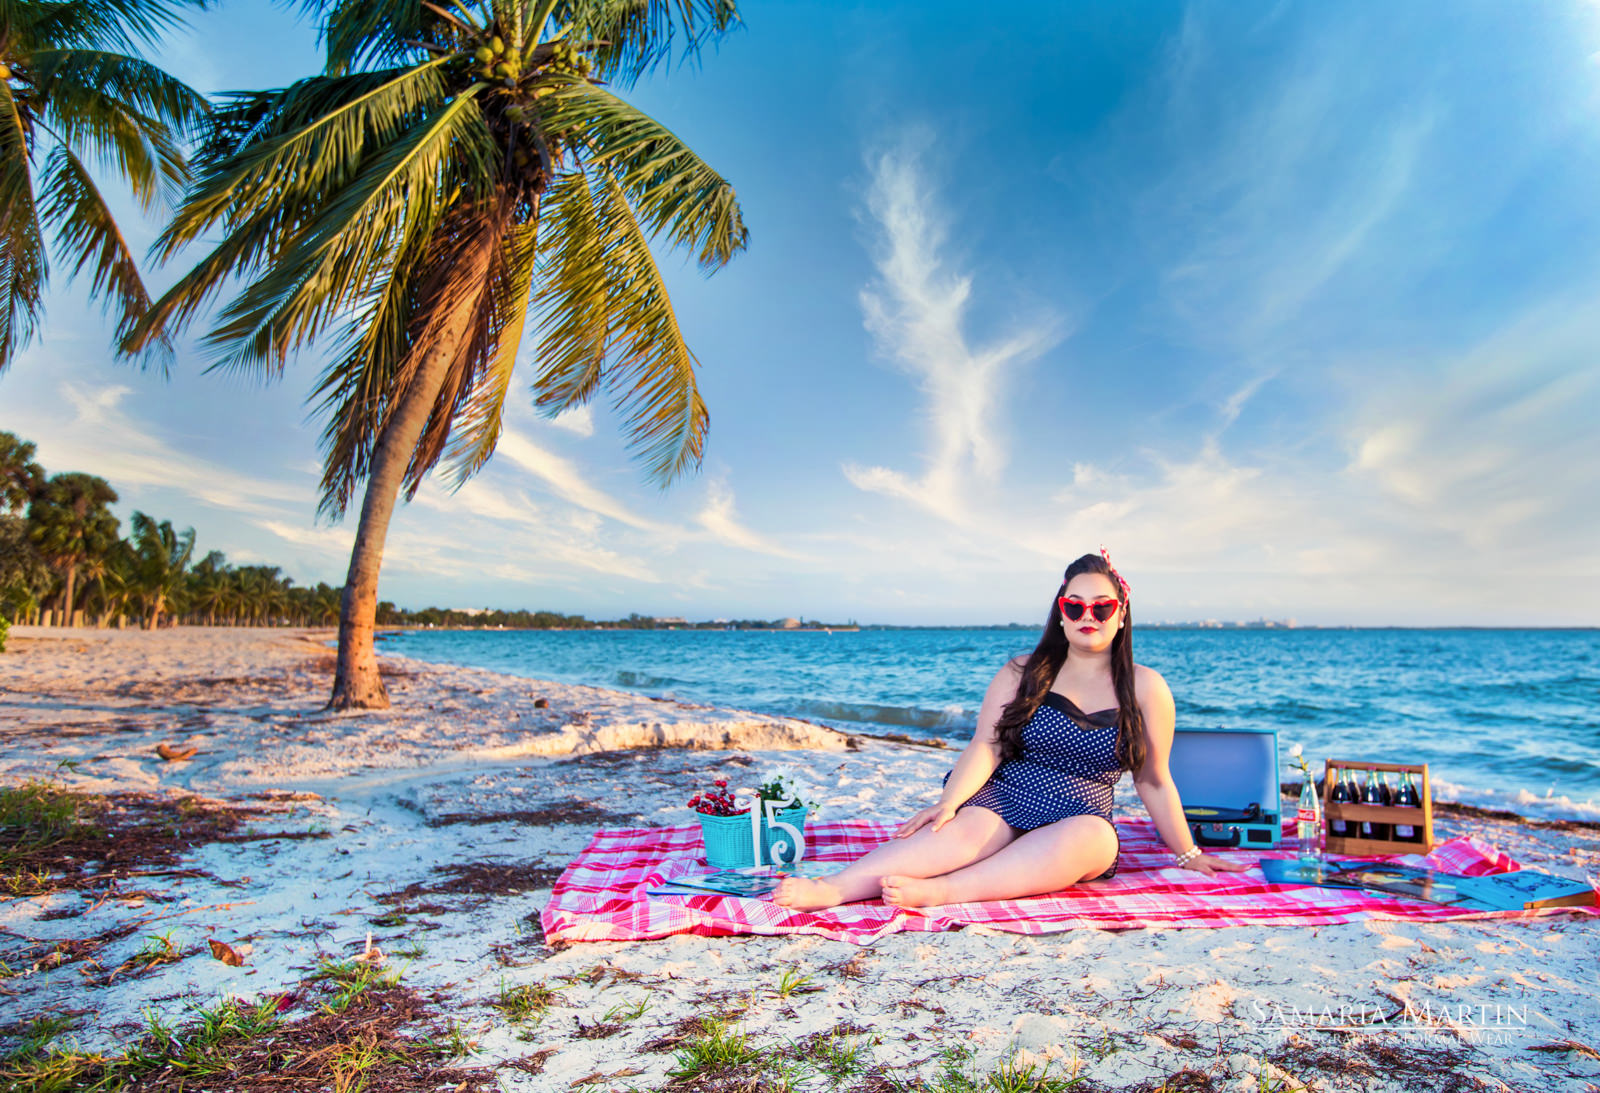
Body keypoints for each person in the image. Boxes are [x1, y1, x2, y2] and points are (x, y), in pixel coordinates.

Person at [773, 550, 1251, 910]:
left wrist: (1188, 854)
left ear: (1121, 615)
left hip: (1079, 813)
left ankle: (942, 893)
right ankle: (833, 888)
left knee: (1097, 840)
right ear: (1059, 612)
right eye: (1075, 606)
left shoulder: (1147, 688)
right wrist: (950, 802)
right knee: (960, 833)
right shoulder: (1023, 671)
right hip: (1008, 794)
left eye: (1102, 608)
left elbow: (1153, 780)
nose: (1088, 617)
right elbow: (986, 744)